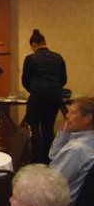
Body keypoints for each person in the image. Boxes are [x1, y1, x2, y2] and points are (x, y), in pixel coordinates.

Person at [22, 29, 68, 163]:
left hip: (37, 96)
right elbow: (63, 79)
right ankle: (49, 159)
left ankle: (37, 159)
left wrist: (34, 89)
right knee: (48, 128)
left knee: (35, 129)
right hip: (54, 97)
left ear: (34, 44)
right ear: (44, 42)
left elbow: (25, 80)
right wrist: (54, 88)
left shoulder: (30, 59)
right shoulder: (58, 57)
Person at [49, 97, 94, 204]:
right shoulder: (86, 141)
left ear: (88, 118)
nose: (67, 116)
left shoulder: (76, 149)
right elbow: (53, 155)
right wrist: (65, 132)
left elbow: (51, 184)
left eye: (73, 113)